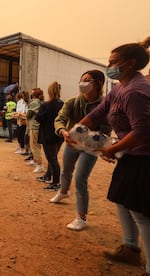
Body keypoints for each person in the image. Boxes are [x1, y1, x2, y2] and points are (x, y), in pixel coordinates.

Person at [79, 37, 150, 274]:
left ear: (130, 64)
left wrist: (111, 148)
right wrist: (77, 131)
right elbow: (99, 112)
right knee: (122, 199)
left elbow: (142, 132)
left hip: (143, 157)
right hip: (130, 155)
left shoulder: (135, 92)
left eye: (113, 62)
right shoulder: (119, 88)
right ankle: (130, 249)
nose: (109, 67)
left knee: (140, 211)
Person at [50, 70, 110, 232]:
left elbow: (105, 131)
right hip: (72, 142)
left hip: (91, 146)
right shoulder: (72, 102)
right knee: (66, 170)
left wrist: (89, 139)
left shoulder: (104, 105)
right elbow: (60, 119)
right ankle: (63, 191)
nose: (82, 83)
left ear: (98, 84)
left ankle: (81, 218)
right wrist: (63, 131)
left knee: (80, 178)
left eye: (87, 80)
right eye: (81, 80)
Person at [35, 82, 64, 190]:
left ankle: (56, 182)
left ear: (49, 91)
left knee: (52, 159)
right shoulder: (62, 104)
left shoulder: (46, 105)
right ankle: (48, 175)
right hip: (59, 135)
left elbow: (38, 118)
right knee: (53, 157)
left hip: (48, 135)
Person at [26, 88, 44, 173]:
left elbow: (28, 115)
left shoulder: (34, 103)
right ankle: (35, 160)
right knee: (37, 145)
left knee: (34, 146)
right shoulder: (41, 102)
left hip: (34, 126)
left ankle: (39, 165)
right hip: (39, 126)